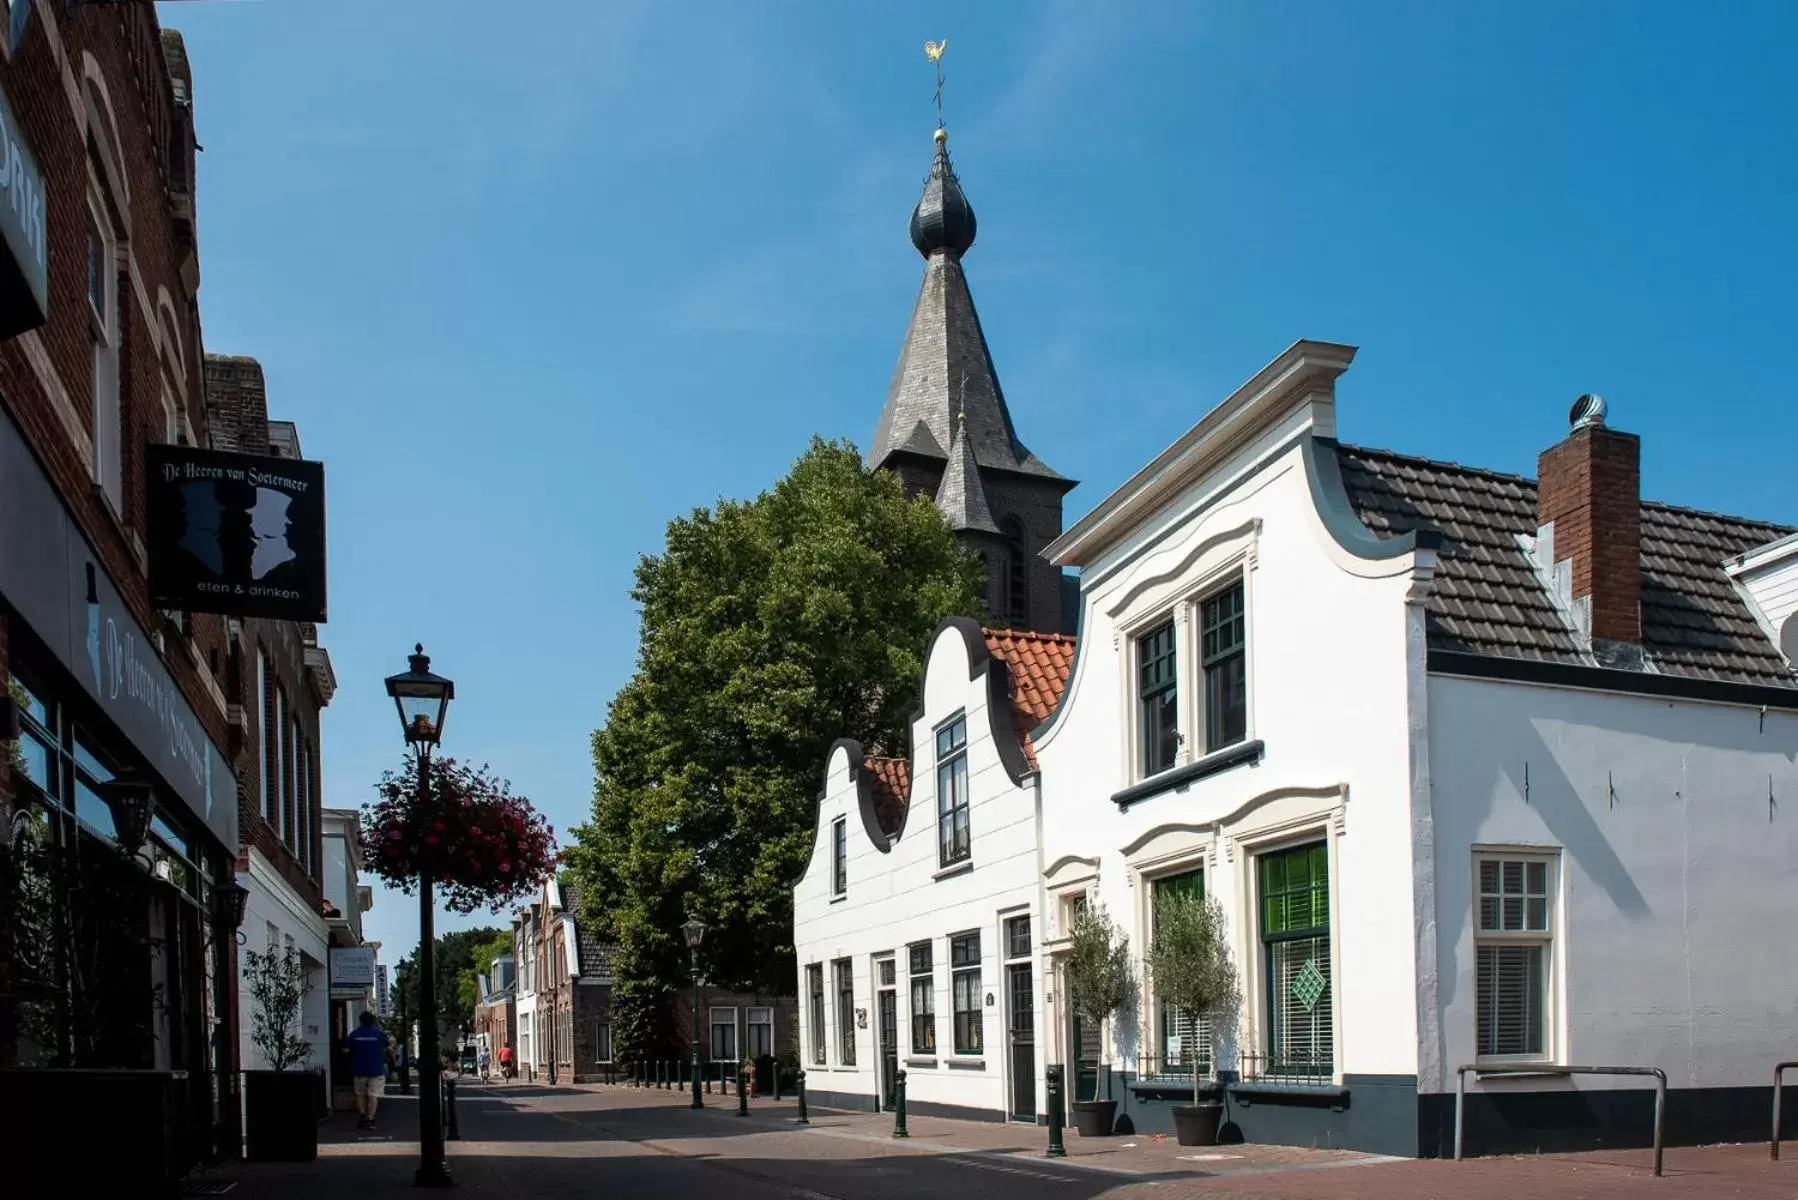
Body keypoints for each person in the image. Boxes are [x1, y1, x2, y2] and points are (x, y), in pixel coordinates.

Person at [345, 1012, 390, 1131]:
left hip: (359, 1068)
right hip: (376, 1069)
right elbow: (387, 1047)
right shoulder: (379, 1034)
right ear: (373, 1021)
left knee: (360, 1094)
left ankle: (362, 1116)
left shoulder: (354, 1034)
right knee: (373, 1095)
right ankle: (370, 1119)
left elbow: (347, 1050)